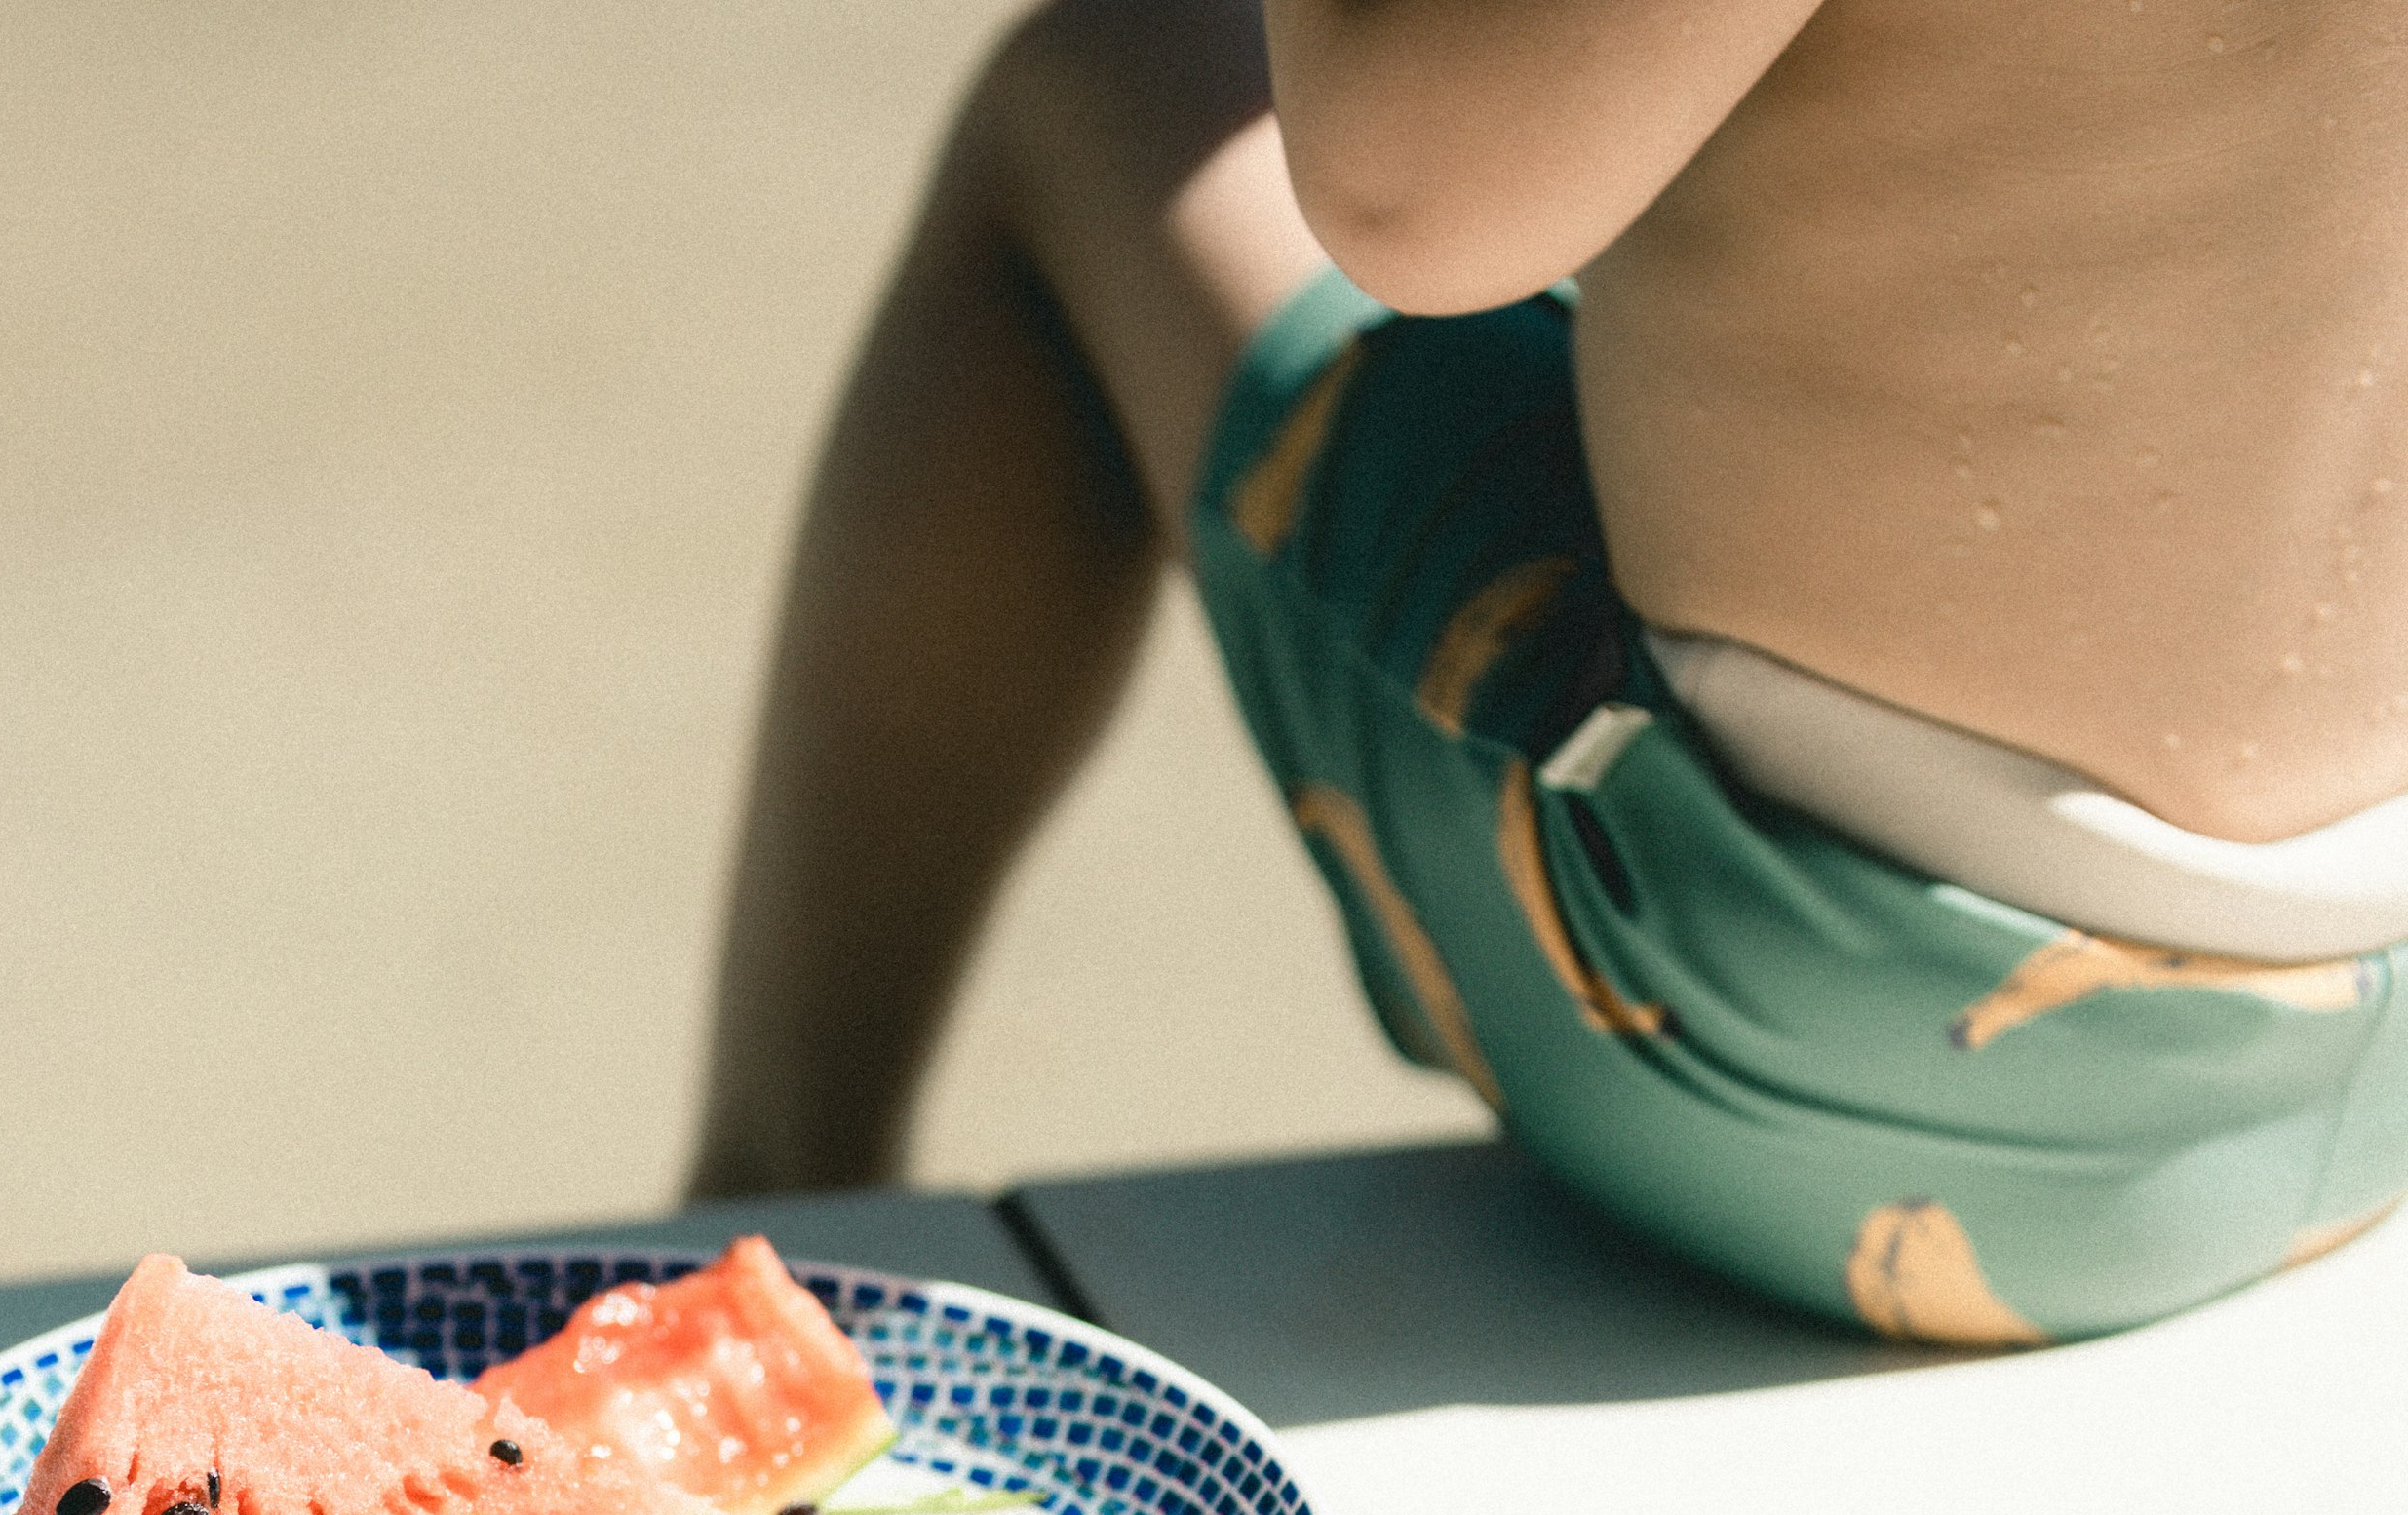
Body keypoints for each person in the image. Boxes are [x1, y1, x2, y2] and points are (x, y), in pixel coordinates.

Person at [686, 0, 2408, 1342]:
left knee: (1103, 91)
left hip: (1842, 1052)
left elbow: (1408, 194)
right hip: (2367, 1038)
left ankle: (773, 1205)